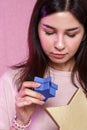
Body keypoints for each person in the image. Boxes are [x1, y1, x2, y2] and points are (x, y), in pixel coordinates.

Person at [0, 0, 87, 129]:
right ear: (36, 29)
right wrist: (21, 121)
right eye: (49, 32)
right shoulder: (11, 81)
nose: (59, 45)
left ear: (84, 34)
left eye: (71, 34)